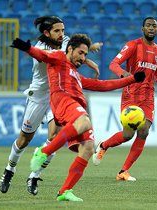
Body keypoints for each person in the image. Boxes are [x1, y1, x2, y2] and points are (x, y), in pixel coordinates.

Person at [10, 34, 145, 201]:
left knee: (87, 148)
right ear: (70, 49)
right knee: (85, 122)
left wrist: (132, 79)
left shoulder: (77, 75)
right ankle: (43, 152)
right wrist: (27, 48)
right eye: (80, 53)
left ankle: (65, 191)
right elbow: (42, 55)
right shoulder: (59, 58)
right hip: (64, 102)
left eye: (85, 55)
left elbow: (102, 85)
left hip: (74, 108)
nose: (83, 58)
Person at [0, 16, 103, 196]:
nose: (62, 34)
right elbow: (54, 57)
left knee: (54, 137)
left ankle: (34, 175)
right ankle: (9, 169)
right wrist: (87, 61)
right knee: (24, 140)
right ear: (47, 33)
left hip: (59, 98)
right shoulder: (40, 49)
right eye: (57, 31)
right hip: (39, 97)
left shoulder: (66, 42)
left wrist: (89, 50)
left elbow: (75, 49)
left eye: (63, 30)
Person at [92, 17, 157, 181]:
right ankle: (103, 145)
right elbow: (114, 64)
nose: (151, 28)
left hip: (148, 98)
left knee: (144, 131)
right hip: (130, 95)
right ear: (142, 29)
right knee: (128, 135)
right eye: (148, 25)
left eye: (154, 26)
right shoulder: (133, 45)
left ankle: (123, 171)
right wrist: (123, 74)